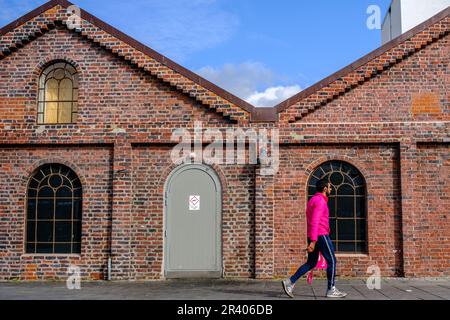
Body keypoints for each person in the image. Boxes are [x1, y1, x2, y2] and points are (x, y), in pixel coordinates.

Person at [282, 179, 347, 298]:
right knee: (332, 260)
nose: (331, 189)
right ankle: (331, 289)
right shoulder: (320, 201)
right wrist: (313, 241)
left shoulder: (313, 199)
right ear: (325, 189)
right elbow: (315, 221)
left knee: (311, 262)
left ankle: (290, 282)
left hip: (315, 235)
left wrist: (312, 238)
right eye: (330, 187)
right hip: (320, 235)